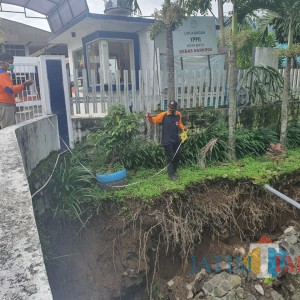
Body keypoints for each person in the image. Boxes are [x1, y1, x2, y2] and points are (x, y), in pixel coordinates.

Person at [146, 100, 186, 181]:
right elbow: (154, 120)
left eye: (172, 108)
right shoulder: (163, 115)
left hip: (176, 140)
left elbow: (180, 123)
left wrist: (183, 128)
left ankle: (174, 172)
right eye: (169, 108)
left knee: (177, 156)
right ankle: (171, 176)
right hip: (167, 141)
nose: (170, 110)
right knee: (171, 157)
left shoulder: (178, 114)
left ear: (175, 108)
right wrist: (149, 117)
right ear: (168, 107)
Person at [0, 52, 33, 129]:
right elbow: (10, 90)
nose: (12, 65)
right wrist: (24, 84)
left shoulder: (3, 73)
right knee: (8, 130)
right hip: (5, 105)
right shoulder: (2, 74)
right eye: (10, 63)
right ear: (2, 62)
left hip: (4, 104)